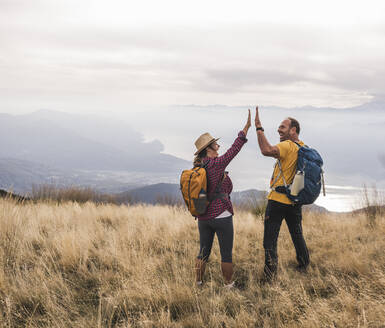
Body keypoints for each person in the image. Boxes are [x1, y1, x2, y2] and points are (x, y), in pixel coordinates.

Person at [194, 110, 251, 288]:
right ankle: (228, 285)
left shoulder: (198, 166)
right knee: (226, 253)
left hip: (203, 216)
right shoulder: (216, 165)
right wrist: (246, 129)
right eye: (215, 145)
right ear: (208, 150)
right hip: (221, 214)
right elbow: (235, 149)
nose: (218, 147)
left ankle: (198, 282)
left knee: (203, 251)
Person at [254, 106, 310, 280]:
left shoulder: (287, 145)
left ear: (293, 130)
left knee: (270, 239)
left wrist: (258, 128)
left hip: (278, 200)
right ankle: (304, 265)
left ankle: (270, 276)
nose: (279, 129)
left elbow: (266, 150)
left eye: (283, 127)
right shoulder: (303, 147)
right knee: (297, 234)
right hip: (294, 199)